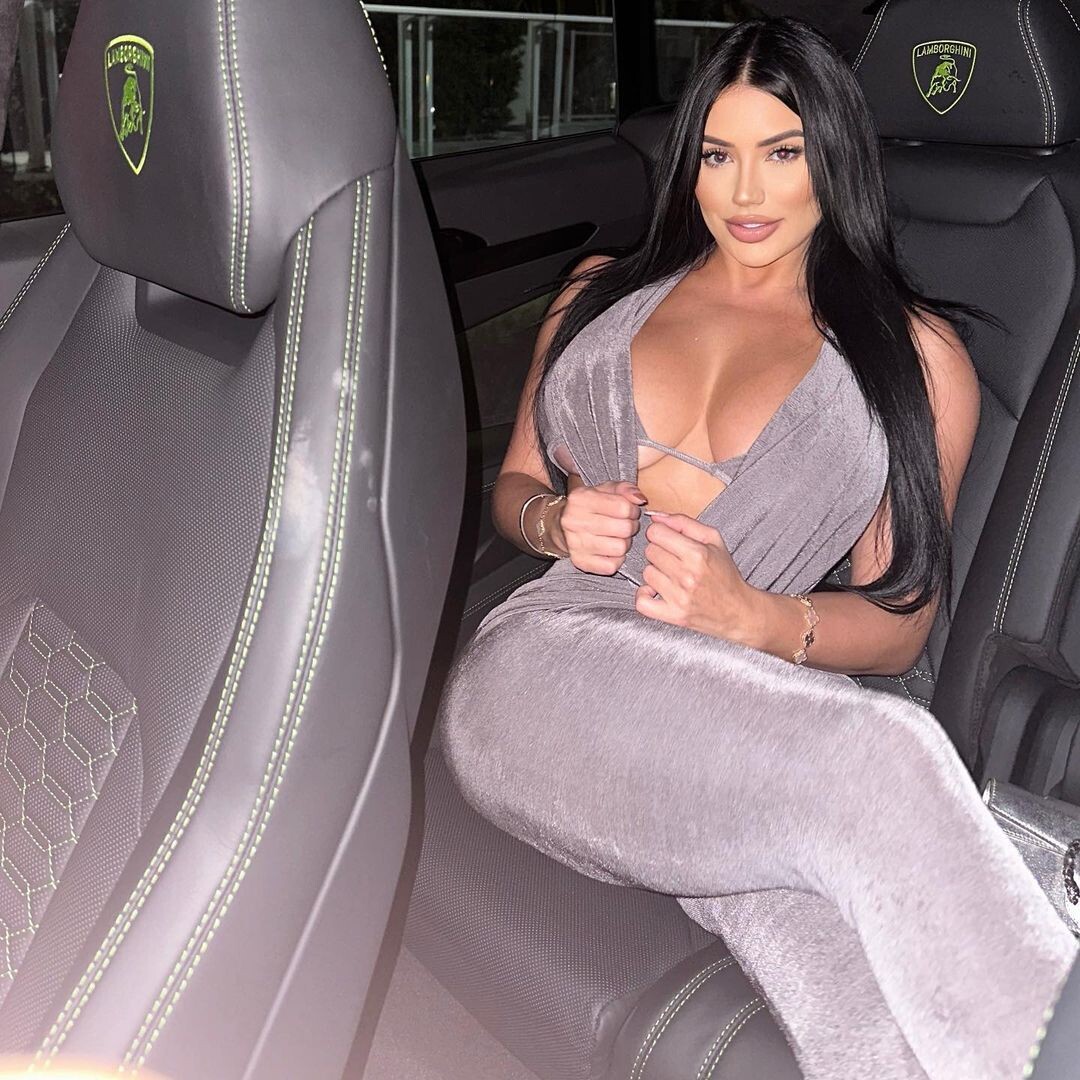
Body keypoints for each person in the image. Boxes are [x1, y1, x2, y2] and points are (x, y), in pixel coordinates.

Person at [438, 16, 1078, 1080]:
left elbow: (900, 623)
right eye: (716, 155)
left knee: (833, 957)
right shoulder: (599, 291)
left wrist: (758, 617)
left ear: (835, 159)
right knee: (885, 758)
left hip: (739, 728)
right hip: (542, 677)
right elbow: (515, 487)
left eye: (782, 154)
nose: (745, 193)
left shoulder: (916, 357)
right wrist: (552, 521)